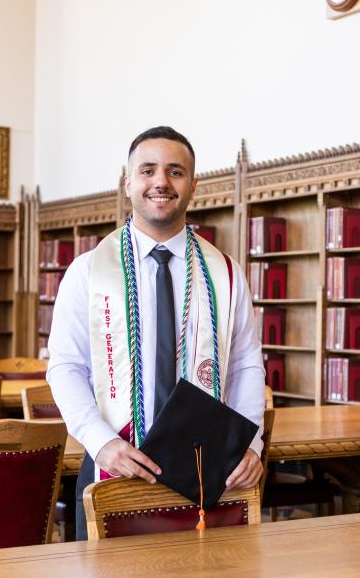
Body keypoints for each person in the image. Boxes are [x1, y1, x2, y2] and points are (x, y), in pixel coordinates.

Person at [47, 125, 265, 540]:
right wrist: (101, 442)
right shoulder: (88, 272)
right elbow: (65, 368)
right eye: (147, 170)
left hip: (207, 472)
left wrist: (250, 446)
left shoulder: (228, 275)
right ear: (127, 182)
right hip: (116, 464)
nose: (160, 182)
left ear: (193, 184)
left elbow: (246, 366)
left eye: (175, 171)